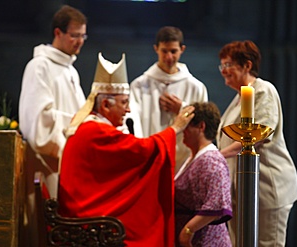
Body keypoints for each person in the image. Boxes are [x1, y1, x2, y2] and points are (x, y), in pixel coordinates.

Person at [57, 53, 195, 247]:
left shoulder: (89, 127)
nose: (128, 110)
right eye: (124, 103)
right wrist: (175, 129)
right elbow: (141, 150)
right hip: (87, 221)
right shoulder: (95, 131)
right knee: (141, 225)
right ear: (105, 104)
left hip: (82, 212)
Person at [216, 40, 297, 247]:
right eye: (222, 66)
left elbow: (258, 134)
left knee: (266, 243)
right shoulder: (238, 99)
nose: (224, 71)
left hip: (265, 186)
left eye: (229, 65)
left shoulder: (263, 90)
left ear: (247, 65)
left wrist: (218, 155)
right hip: (241, 189)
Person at [18, 5, 88, 246]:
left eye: (83, 36)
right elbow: (38, 121)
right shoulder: (40, 67)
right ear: (58, 33)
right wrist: (74, 124)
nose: (80, 42)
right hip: (48, 162)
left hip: (69, 163)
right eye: (74, 35)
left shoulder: (70, 70)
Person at [127, 26, 208, 173]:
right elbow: (132, 122)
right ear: (156, 49)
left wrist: (181, 109)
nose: (169, 57)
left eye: (173, 51)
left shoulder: (195, 87)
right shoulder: (139, 85)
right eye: (164, 51)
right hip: (150, 158)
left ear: (182, 49)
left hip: (184, 163)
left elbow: (205, 125)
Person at [174, 102, 232, 247]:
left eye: (187, 125)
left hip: (206, 241)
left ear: (201, 126)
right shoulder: (195, 157)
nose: (183, 130)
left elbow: (216, 204)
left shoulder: (211, 160)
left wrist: (187, 232)